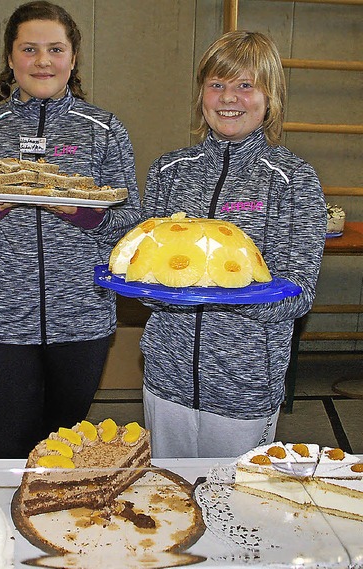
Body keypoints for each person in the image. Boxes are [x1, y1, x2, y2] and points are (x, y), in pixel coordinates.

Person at [0, 1, 140, 458]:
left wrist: (87, 215)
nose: (42, 61)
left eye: (55, 49)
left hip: (83, 316)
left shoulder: (104, 129)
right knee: (11, 448)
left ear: (73, 59)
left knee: (65, 448)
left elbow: (132, 222)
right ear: (11, 58)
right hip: (6, 319)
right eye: (29, 49)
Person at [140, 31, 326, 458]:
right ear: (202, 93)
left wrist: (227, 294)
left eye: (246, 85)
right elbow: (146, 275)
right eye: (217, 84)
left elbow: (299, 291)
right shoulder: (169, 171)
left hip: (245, 382)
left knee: (234, 505)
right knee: (169, 497)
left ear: (270, 97)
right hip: (166, 376)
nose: (229, 98)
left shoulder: (293, 180)